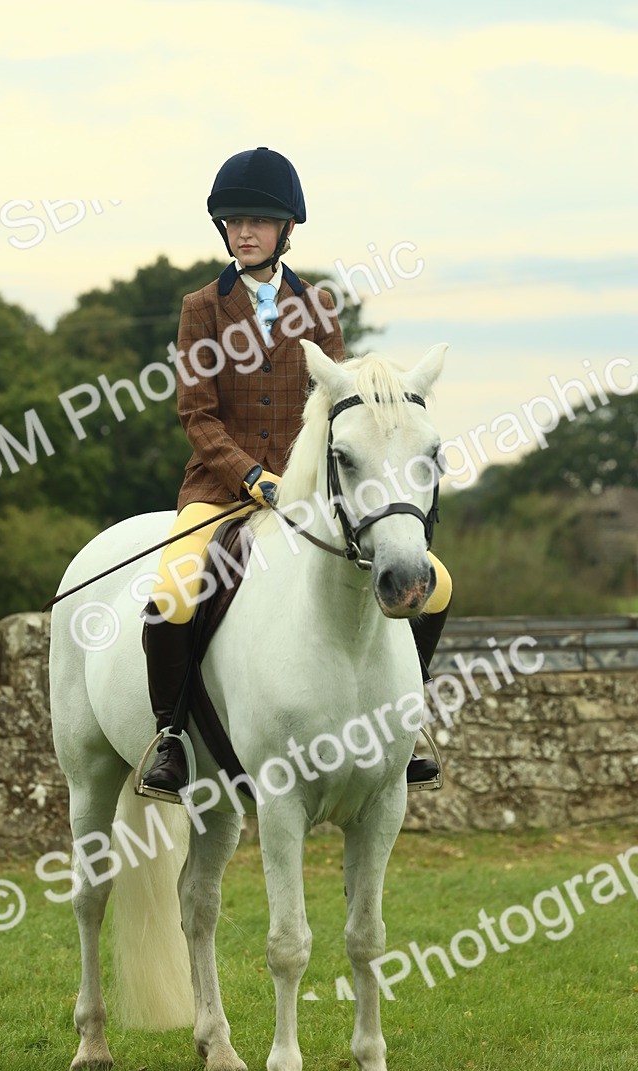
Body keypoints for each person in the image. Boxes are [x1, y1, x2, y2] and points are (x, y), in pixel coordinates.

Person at [139, 147, 451, 801]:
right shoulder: (202, 307)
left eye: (257, 221)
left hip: (311, 494)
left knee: (437, 584)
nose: (243, 232)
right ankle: (170, 737)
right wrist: (253, 478)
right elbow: (197, 415)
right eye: (233, 221)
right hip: (219, 491)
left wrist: (310, 479)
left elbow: (339, 406)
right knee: (172, 591)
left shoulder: (320, 305)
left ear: (286, 228)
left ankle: (406, 724)